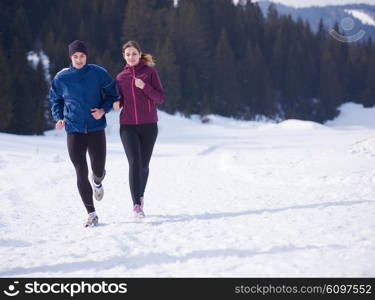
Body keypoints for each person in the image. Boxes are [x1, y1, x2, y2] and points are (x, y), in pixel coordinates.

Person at [49, 40, 119, 227]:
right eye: (75, 56)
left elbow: (113, 95)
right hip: (74, 130)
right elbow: (56, 100)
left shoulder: (98, 73)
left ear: (86, 56)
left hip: (96, 128)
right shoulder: (61, 78)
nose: (79, 59)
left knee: (97, 170)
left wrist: (103, 110)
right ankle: (92, 213)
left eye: (82, 56)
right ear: (70, 57)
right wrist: (59, 117)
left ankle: (97, 181)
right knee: (80, 171)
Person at [113, 40, 165, 218]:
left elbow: (160, 98)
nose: (131, 57)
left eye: (134, 53)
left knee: (143, 165)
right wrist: (115, 103)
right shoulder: (121, 78)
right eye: (128, 54)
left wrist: (145, 87)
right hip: (127, 126)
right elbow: (119, 101)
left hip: (149, 125)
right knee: (134, 162)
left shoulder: (149, 73)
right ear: (124, 56)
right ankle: (136, 204)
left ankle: (140, 195)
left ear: (139, 54)